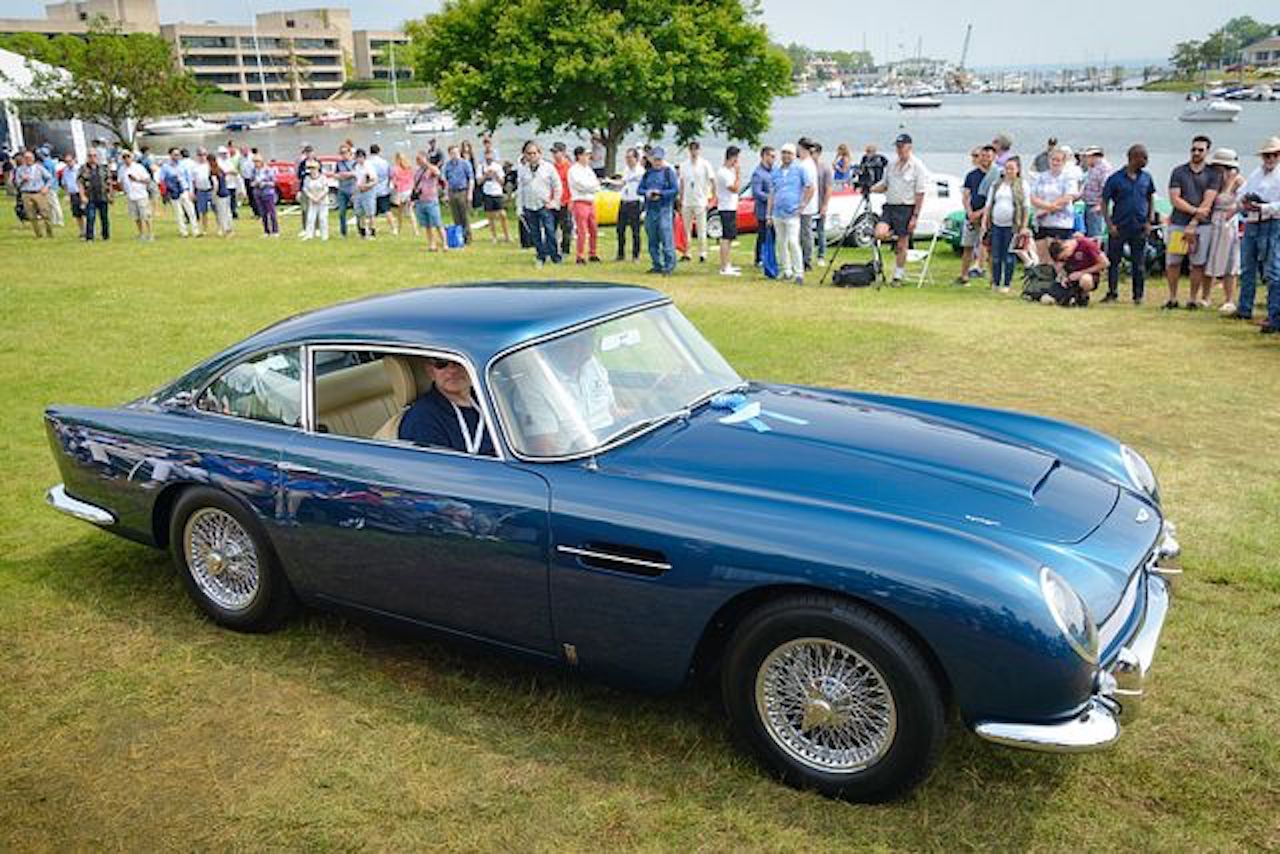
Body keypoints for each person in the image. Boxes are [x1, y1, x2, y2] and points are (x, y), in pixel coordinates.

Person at [1163, 135, 1222, 310]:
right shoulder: (1179, 171)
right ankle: (1172, 297)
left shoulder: (1213, 174)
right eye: (1193, 149)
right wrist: (1195, 211)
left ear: (1207, 151)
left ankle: (1192, 299)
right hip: (1178, 222)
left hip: (1202, 225)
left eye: (1200, 150)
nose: (1196, 153)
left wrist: (1194, 221)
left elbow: (1208, 200)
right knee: (1173, 262)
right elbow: (1175, 198)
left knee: (1198, 263)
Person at [399, 357, 495, 456]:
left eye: (459, 362)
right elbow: (436, 467)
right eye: (441, 364)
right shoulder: (421, 419)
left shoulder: (492, 399)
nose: (452, 370)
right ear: (430, 372)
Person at [1101, 144, 1158, 304]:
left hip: (1139, 226)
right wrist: (1109, 224)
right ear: (1133, 158)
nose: (1146, 161)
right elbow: (1104, 202)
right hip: (1119, 226)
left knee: (1139, 263)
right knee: (1114, 261)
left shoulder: (1146, 178)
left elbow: (1150, 198)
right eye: (1143, 157)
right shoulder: (1115, 178)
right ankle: (1112, 292)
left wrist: (1149, 221)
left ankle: (1138, 295)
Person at [1235, 136, 1280, 332]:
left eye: (1273, 155)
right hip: (1253, 222)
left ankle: (1274, 316)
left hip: (1272, 223)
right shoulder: (1256, 173)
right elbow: (1241, 193)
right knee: (1247, 268)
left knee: (1273, 272)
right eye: (1266, 155)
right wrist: (1245, 202)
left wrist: (1265, 207)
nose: (1269, 159)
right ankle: (1245, 308)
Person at [871, 133, 929, 285]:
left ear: (909, 147)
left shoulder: (918, 166)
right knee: (879, 233)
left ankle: (898, 274)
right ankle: (891, 238)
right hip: (890, 206)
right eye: (897, 147)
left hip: (906, 207)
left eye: (901, 146)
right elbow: (884, 185)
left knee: (902, 243)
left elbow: (920, 193)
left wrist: (915, 216)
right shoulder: (891, 164)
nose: (899, 150)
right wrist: (870, 188)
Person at [1202, 148, 1243, 313]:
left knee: (1230, 262)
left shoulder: (1238, 181)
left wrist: (1230, 184)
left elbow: (1242, 201)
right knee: (1209, 259)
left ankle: (1229, 299)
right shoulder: (1213, 180)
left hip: (1229, 222)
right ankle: (1205, 297)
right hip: (1213, 221)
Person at [767, 142, 814, 284]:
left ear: (794, 155)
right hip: (777, 212)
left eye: (789, 153)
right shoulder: (776, 171)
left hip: (793, 212)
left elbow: (810, 187)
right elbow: (772, 193)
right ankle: (786, 270)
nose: (786, 156)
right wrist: (768, 214)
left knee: (793, 242)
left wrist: (803, 205)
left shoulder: (800, 169)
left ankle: (798, 272)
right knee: (781, 242)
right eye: (784, 153)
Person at [981, 156, 1029, 294]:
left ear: (1018, 170)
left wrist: (1024, 226)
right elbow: (989, 205)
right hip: (996, 225)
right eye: (1006, 168)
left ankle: (1006, 283)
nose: (1008, 171)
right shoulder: (996, 185)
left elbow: (1026, 207)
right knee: (995, 256)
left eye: (1011, 168)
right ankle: (995, 282)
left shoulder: (1022, 185)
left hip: (1013, 226)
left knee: (1009, 256)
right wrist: (985, 222)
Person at [517, 141, 562, 267]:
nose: (532, 156)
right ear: (525, 155)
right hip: (529, 205)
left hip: (544, 205)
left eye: (534, 153)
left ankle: (555, 256)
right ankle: (540, 255)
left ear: (539, 154)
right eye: (529, 154)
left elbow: (557, 185)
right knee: (535, 233)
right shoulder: (522, 170)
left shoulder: (548, 167)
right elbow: (520, 189)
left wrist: (554, 202)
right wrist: (519, 208)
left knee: (550, 231)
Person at [1029, 148, 1078, 260]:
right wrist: (1047, 207)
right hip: (1041, 222)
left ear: (1063, 162)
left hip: (1061, 222)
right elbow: (1032, 197)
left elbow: (1068, 197)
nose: (1055, 162)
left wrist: (1047, 209)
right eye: (1053, 159)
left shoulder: (1068, 177)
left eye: (1058, 160)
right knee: (1042, 256)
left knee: (1058, 256)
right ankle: (1044, 276)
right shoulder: (1040, 177)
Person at [639, 145, 679, 275]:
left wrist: (661, 193)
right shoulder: (647, 174)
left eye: (659, 160)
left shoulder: (668, 173)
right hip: (651, 209)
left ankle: (669, 265)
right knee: (652, 238)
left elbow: (675, 190)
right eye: (655, 159)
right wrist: (648, 193)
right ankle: (656, 264)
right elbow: (639, 189)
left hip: (664, 208)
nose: (657, 162)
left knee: (666, 237)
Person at [959, 144, 994, 283]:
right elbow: (966, 195)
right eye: (982, 156)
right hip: (972, 217)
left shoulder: (996, 175)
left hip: (988, 217)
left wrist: (981, 213)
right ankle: (963, 275)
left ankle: (993, 279)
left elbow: (994, 199)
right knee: (967, 246)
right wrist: (970, 212)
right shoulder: (971, 175)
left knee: (989, 247)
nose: (984, 159)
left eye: (987, 156)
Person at [678, 140, 716, 263]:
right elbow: (682, 183)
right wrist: (681, 199)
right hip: (687, 201)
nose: (694, 152)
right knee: (686, 229)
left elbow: (712, 181)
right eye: (692, 149)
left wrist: (712, 199)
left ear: (699, 150)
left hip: (701, 200)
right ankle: (687, 252)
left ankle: (702, 253)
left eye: (696, 149)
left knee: (702, 229)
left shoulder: (705, 164)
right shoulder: (684, 165)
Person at [1046, 235, 1108, 305]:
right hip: (1072, 278)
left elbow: (1105, 263)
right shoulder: (1066, 256)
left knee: (1085, 279)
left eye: (1064, 257)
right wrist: (1064, 277)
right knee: (1047, 299)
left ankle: (1083, 295)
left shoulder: (1086, 244)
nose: (1065, 259)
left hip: (1089, 276)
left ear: (1066, 248)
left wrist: (1081, 273)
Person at [568, 145, 601, 264]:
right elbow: (580, 185)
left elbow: (596, 183)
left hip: (591, 201)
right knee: (582, 230)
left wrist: (592, 187)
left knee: (594, 229)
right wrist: (592, 187)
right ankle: (580, 255)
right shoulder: (573, 170)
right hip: (580, 201)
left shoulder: (588, 169)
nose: (588, 157)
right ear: (579, 156)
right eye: (586, 155)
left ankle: (593, 253)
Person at [713, 145, 742, 276]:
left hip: (731, 206)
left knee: (730, 237)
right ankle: (724, 266)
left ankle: (728, 263)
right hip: (726, 207)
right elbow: (735, 188)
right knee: (726, 237)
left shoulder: (728, 171)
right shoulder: (723, 172)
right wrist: (738, 174)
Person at [159, 147, 199, 237]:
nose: (177, 156)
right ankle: (183, 231)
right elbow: (161, 180)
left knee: (191, 211)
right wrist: (165, 192)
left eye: (178, 155)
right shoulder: (165, 167)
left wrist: (190, 191)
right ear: (170, 155)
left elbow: (188, 178)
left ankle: (195, 231)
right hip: (174, 191)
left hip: (184, 190)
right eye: (175, 155)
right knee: (179, 213)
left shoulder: (183, 165)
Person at [411, 150, 446, 252]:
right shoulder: (417, 172)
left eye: (420, 159)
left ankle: (444, 244)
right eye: (417, 159)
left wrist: (427, 164)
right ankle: (432, 245)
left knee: (438, 223)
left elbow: (437, 172)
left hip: (431, 200)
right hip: (420, 201)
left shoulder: (431, 169)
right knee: (427, 225)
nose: (419, 161)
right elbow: (415, 185)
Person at [15, 150, 55, 238]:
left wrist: (46, 187)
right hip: (26, 193)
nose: (28, 160)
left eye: (30, 158)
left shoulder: (39, 168)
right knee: (31, 215)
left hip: (39, 192)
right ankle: (38, 234)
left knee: (45, 213)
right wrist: (22, 180)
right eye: (26, 158)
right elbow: (17, 183)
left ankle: (50, 233)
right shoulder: (20, 170)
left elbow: (50, 178)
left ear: (33, 158)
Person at [615, 147, 644, 262]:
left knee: (635, 230)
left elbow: (624, 181)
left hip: (635, 202)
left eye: (630, 157)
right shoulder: (626, 169)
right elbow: (623, 183)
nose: (628, 160)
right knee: (620, 229)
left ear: (636, 158)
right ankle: (620, 253)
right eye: (626, 158)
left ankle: (635, 255)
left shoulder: (640, 171)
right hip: (624, 201)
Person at [119, 150, 154, 241]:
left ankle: (150, 234)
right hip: (130, 196)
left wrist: (137, 180)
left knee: (146, 215)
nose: (126, 159)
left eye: (128, 156)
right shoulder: (122, 169)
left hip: (141, 195)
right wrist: (124, 190)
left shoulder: (139, 167)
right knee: (136, 217)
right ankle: (141, 233)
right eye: (124, 157)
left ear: (132, 157)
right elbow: (120, 182)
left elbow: (147, 180)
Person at [78, 149, 112, 241]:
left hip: (102, 196)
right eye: (90, 156)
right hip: (90, 197)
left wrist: (110, 194)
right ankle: (89, 237)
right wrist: (82, 196)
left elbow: (108, 182)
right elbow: (80, 183)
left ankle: (106, 236)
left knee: (104, 217)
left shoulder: (103, 168)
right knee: (90, 217)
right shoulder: (83, 169)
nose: (92, 158)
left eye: (94, 155)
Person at [443, 144, 474, 245]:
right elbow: (446, 181)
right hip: (452, 191)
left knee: (464, 216)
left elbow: (471, 179)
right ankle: (458, 237)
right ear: (449, 154)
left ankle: (468, 237)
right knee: (456, 216)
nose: (454, 155)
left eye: (456, 153)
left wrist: (470, 194)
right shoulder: (447, 165)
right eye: (452, 153)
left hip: (463, 191)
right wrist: (446, 194)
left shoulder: (465, 164)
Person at [750, 146, 776, 268]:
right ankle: (759, 258)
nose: (774, 159)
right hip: (763, 210)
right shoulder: (758, 173)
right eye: (771, 156)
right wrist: (770, 198)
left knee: (773, 235)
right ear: (764, 156)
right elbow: (756, 192)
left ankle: (770, 256)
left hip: (774, 211)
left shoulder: (774, 171)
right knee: (763, 234)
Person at [796, 138, 820, 270]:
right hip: (806, 204)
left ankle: (806, 260)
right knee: (804, 232)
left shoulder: (806, 165)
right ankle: (803, 258)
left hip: (805, 205)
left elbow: (809, 187)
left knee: (805, 233)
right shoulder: (807, 163)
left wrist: (803, 203)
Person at [1080, 146, 1113, 238]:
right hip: (1089, 203)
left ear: (1094, 156)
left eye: (1087, 157)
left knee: (1094, 234)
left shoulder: (1104, 168)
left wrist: (1100, 205)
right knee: (1088, 233)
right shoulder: (1093, 167)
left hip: (1096, 206)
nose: (1085, 159)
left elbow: (1106, 188)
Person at [812, 141, 833, 267]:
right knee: (806, 231)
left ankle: (821, 255)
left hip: (819, 203)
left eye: (813, 152)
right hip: (808, 205)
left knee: (820, 230)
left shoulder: (824, 168)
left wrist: (825, 205)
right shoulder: (805, 166)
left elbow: (829, 187)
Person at [480, 151, 509, 243]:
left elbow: (502, 182)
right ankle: (494, 236)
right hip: (487, 192)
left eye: (490, 155)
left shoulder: (498, 166)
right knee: (490, 216)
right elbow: (479, 182)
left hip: (497, 192)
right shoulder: (481, 166)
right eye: (486, 155)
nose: (488, 157)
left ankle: (506, 235)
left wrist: (495, 175)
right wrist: (485, 175)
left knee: (502, 215)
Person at [551, 142, 574, 256]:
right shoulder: (551, 167)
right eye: (553, 152)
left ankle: (565, 249)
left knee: (566, 227)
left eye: (557, 152)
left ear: (563, 153)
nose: (555, 155)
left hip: (565, 200)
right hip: (554, 201)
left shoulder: (569, 167)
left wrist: (571, 200)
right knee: (551, 227)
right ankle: (552, 249)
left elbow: (572, 186)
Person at [368, 144, 394, 236]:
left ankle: (372, 228)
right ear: (379, 151)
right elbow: (390, 175)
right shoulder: (385, 162)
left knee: (372, 212)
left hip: (371, 190)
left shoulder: (368, 163)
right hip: (383, 189)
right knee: (387, 210)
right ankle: (393, 228)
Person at [251, 154, 279, 237]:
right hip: (258, 193)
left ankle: (275, 230)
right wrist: (254, 184)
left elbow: (274, 182)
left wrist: (265, 183)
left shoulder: (268, 170)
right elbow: (251, 181)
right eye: (254, 162)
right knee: (263, 213)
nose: (256, 163)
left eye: (257, 161)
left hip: (268, 193)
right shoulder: (254, 171)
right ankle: (266, 231)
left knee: (272, 212)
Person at [299, 161, 329, 241]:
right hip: (312, 201)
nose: (312, 170)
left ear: (317, 168)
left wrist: (319, 197)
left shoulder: (323, 177)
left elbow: (326, 189)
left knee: (323, 218)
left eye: (313, 168)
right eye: (310, 168)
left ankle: (324, 236)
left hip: (323, 201)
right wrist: (312, 197)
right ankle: (309, 235)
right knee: (310, 218)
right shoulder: (307, 178)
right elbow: (305, 189)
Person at [353, 148, 378, 240]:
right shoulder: (357, 166)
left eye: (360, 157)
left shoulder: (369, 166)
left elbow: (375, 181)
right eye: (357, 157)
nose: (359, 159)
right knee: (359, 213)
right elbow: (357, 179)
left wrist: (366, 186)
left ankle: (372, 232)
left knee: (370, 213)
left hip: (368, 192)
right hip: (359, 191)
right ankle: (362, 232)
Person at [390, 150, 415, 237]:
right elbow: (412, 179)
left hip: (400, 191)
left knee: (399, 212)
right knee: (410, 212)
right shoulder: (409, 168)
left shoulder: (395, 169)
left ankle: (399, 228)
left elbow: (394, 181)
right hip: (408, 191)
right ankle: (415, 230)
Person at [60, 153, 84, 238]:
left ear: (74, 160)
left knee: (86, 213)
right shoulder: (65, 171)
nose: (68, 163)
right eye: (66, 162)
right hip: (73, 194)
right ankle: (82, 231)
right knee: (77, 214)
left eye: (70, 161)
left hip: (81, 193)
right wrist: (67, 194)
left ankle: (89, 229)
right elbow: (64, 183)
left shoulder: (79, 169)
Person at [191, 147, 214, 236]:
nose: (202, 157)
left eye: (204, 154)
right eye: (200, 155)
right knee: (203, 211)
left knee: (216, 209)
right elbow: (193, 180)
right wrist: (193, 192)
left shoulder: (210, 165)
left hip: (210, 189)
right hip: (200, 191)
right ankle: (204, 229)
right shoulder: (194, 167)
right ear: (197, 156)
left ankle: (220, 227)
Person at [209, 153, 233, 237]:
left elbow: (215, 184)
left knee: (221, 213)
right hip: (226, 192)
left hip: (219, 194)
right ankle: (230, 228)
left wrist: (214, 196)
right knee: (228, 212)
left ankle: (225, 230)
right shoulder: (220, 169)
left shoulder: (213, 171)